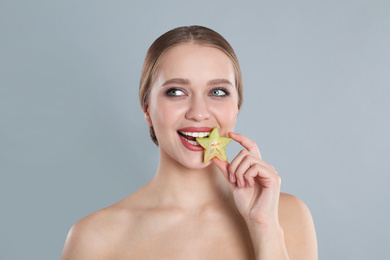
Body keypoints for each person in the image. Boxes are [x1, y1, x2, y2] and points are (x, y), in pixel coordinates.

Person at [61, 25, 317, 260]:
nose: (198, 112)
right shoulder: (94, 237)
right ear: (147, 109)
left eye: (217, 92)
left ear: (236, 107)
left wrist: (264, 227)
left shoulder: (286, 216)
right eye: (176, 92)